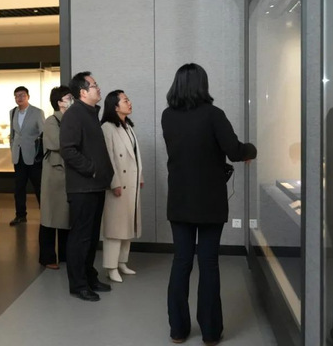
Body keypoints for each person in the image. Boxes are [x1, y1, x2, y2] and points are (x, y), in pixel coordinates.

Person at [161, 63, 257, 345]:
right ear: (202, 85)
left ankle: (178, 330)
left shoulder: (168, 116)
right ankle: (211, 332)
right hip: (209, 200)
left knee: (181, 262)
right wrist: (252, 150)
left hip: (179, 199)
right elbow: (235, 151)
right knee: (208, 262)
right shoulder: (213, 115)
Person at [60, 72, 114, 302]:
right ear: (82, 92)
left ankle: (89, 277)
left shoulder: (90, 113)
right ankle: (78, 284)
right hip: (82, 187)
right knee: (80, 237)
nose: (98, 88)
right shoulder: (74, 114)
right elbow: (68, 150)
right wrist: (92, 169)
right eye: (94, 85)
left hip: (95, 185)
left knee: (91, 237)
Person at [100, 90, 143, 283]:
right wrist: (114, 182)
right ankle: (111, 266)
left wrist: (140, 176)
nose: (129, 102)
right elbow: (107, 158)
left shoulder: (128, 126)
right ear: (115, 106)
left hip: (131, 183)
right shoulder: (107, 128)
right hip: (118, 184)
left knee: (128, 225)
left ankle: (122, 262)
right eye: (125, 100)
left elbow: (135, 156)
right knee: (115, 228)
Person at [38, 86, 73, 269]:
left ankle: (66, 255)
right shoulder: (52, 121)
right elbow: (59, 143)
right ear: (60, 102)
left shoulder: (72, 119)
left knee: (65, 217)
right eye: (68, 97)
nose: (72, 100)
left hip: (67, 175)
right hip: (54, 175)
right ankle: (47, 257)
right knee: (50, 217)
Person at [8, 86, 45, 226]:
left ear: (28, 96)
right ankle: (20, 215)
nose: (19, 98)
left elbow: (43, 133)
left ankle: (46, 214)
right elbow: (13, 134)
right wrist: (12, 147)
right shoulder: (12, 112)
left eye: (22, 95)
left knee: (39, 187)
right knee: (19, 188)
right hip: (18, 156)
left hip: (33, 155)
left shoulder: (37, 112)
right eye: (17, 95)